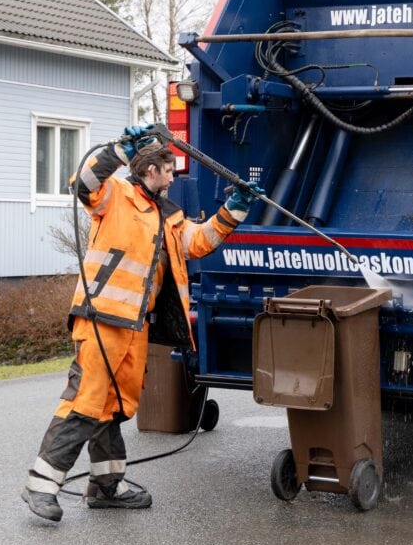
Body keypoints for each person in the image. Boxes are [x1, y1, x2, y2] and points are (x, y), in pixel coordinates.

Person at [21, 125, 259, 522]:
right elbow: (82, 184)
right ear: (151, 170)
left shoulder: (169, 215)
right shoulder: (114, 195)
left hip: (135, 325)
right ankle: (41, 485)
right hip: (101, 318)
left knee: (113, 406)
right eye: (169, 171)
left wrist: (235, 208)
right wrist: (119, 151)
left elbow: (198, 242)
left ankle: (106, 486)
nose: (173, 178)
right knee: (85, 401)